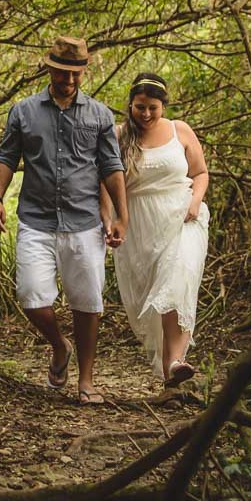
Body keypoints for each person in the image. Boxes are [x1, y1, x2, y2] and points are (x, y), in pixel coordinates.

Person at [0, 36, 129, 405]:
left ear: (84, 72)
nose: (69, 80)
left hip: (84, 222)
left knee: (87, 301)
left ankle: (86, 382)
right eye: (63, 72)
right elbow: (6, 156)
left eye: (75, 73)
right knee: (31, 295)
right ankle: (59, 345)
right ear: (48, 67)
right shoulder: (24, 111)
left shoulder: (99, 114)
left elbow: (111, 167)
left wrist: (120, 216)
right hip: (36, 218)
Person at [102, 72, 209, 387]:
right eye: (139, 107)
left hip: (184, 216)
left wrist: (195, 200)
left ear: (164, 105)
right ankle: (171, 373)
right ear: (131, 105)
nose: (146, 114)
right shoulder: (119, 136)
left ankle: (176, 362)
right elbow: (106, 185)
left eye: (153, 108)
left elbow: (200, 172)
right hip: (140, 225)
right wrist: (109, 222)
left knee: (177, 281)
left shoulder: (180, 131)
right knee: (155, 294)